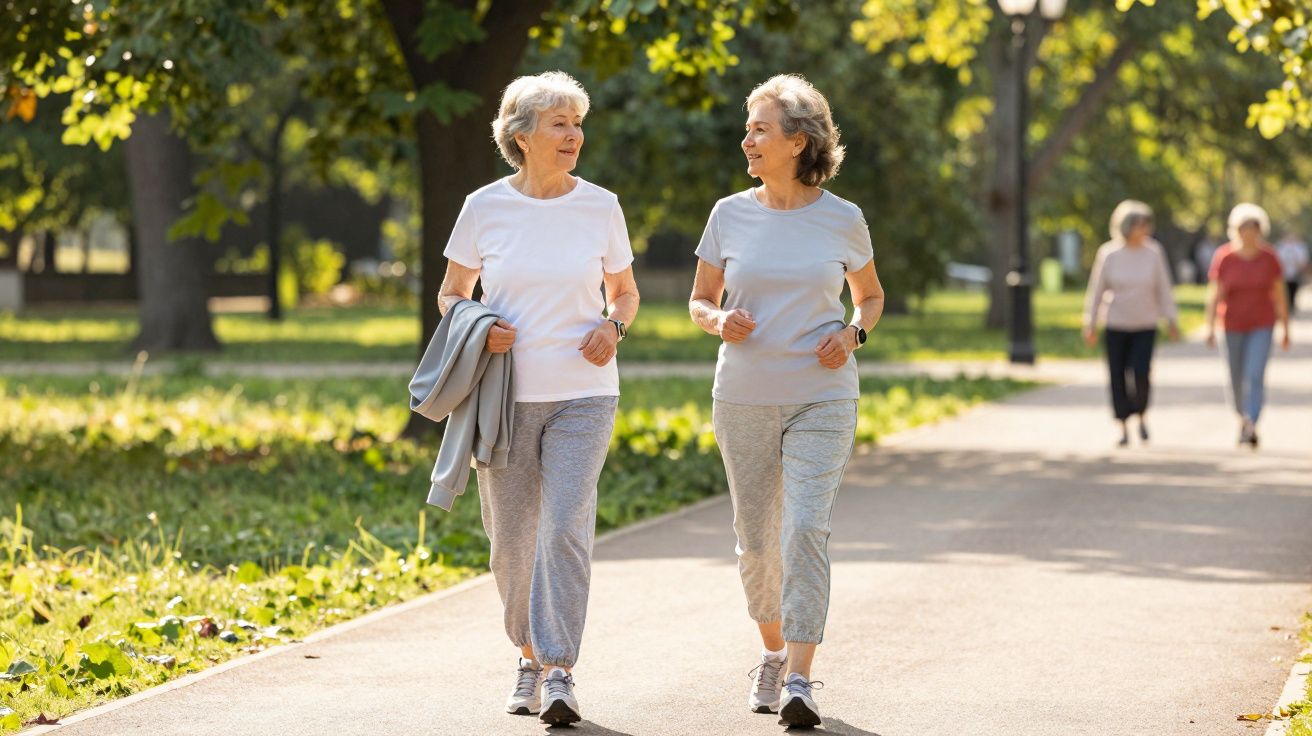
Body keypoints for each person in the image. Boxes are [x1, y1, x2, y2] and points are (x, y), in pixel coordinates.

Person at [435, 70, 639, 726]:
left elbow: (626, 291)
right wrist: (478, 325)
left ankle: (558, 670)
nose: (574, 135)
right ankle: (526, 655)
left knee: (564, 527)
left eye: (578, 124)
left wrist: (614, 325)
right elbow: (449, 292)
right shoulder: (483, 207)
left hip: (585, 394)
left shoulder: (601, 206)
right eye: (560, 124)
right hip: (504, 397)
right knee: (512, 538)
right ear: (521, 136)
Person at [688, 74, 885, 729]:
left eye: (760, 128)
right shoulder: (727, 214)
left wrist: (852, 333)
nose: (747, 138)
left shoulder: (842, 218)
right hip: (742, 398)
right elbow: (698, 300)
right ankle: (772, 652)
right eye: (748, 128)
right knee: (755, 544)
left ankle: (800, 676)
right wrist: (718, 321)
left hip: (821, 398)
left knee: (805, 528)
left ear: (799, 140)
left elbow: (872, 296)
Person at [1082, 200, 1180, 447]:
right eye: (1139, 224)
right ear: (1126, 226)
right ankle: (1123, 425)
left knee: (1140, 373)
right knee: (1117, 375)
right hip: (1116, 323)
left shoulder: (1154, 253)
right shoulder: (1109, 253)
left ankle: (1141, 413)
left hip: (1145, 324)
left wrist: (1171, 319)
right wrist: (1090, 323)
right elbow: (1096, 290)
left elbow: (1164, 288)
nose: (1144, 229)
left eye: (1146, 224)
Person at [1205, 203, 1291, 448]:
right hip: (1231, 324)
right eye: (1244, 228)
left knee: (1254, 373)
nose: (1249, 233)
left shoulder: (1269, 258)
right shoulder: (1225, 257)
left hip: (1262, 324)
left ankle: (1252, 422)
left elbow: (1279, 294)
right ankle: (1241, 417)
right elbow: (1215, 294)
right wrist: (1210, 326)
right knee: (1234, 375)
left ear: (1260, 230)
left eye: (1254, 228)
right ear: (1236, 230)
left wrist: (1286, 327)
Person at [1275, 230, 1310, 313]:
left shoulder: (1299, 247)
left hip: (1295, 273)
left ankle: (1291, 305)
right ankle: (1287, 306)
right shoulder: (1281, 247)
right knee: (1285, 290)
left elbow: (1302, 260)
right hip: (1284, 274)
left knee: (1294, 289)